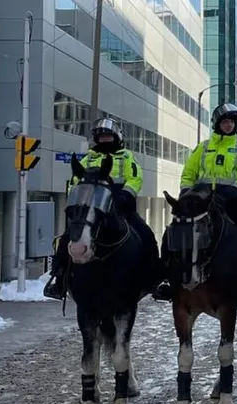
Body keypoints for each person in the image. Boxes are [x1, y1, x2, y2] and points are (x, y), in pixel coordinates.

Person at [155, 102, 237, 301]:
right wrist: (186, 193)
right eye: (225, 122)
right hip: (201, 200)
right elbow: (189, 172)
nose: (228, 125)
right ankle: (165, 278)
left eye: (231, 122)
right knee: (173, 230)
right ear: (217, 124)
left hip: (232, 200)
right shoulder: (203, 147)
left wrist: (232, 192)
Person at [44, 118, 160, 300]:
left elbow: (135, 178)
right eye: (102, 137)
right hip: (93, 208)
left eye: (108, 136)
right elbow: (75, 182)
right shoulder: (89, 158)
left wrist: (125, 195)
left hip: (120, 207)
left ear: (116, 138)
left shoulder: (126, 157)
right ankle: (59, 279)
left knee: (146, 234)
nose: (105, 140)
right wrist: (75, 200)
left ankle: (154, 278)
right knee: (68, 237)